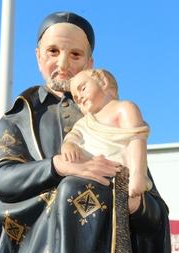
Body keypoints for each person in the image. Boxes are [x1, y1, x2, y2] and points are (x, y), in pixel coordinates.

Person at [0, 11, 171, 253]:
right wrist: (57, 167)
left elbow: (153, 211)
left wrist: (134, 204)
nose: (63, 63)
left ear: (91, 64)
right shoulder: (19, 119)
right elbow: (2, 179)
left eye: (76, 54)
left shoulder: (112, 117)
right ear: (38, 56)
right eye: (53, 51)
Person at [62, 68, 152, 198]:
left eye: (83, 89)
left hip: (119, 175)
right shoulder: (84, 122)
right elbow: (73, 137)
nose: (80, 98)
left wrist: (138, 175)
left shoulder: (124, 109)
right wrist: (69, 145)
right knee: (68, 188)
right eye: (76, 99)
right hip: (89, 174)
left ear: (103, 82)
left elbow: (136, 140)